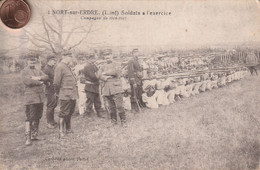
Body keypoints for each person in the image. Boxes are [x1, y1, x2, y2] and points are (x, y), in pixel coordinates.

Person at [21, 55, 48, 146]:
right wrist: (40, 82)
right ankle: (28, 138)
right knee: (30, 117)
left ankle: (34, 135)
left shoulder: (37, 70)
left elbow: (46, 77)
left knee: (38, 116)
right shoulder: (24, 71)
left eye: (33, 62)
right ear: (27, 62)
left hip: (40, 97)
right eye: (30, 61)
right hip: (31, 98)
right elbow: (28, 82)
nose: (32, 63)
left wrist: (36, 78)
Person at [98, 49, 127, 127]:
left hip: (116, 88)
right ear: (104, 57)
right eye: (106, 56)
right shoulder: (102, 66)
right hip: (107, 89)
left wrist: (105, 73)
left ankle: (123, 121)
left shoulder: (117, 64)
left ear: (112, 56)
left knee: (119, 106)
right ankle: (113, 122)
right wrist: (105, 77)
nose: (108, 58)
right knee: (111, 107)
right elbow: (98, 75)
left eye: (109, 56)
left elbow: (116, 72)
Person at [53, 51, 78, 138]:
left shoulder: (67, 67)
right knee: (63, 113)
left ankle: (68, 129)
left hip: (72, 94)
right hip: (65, 94)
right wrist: (59, 92)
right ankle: (61, 132)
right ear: (63, 56)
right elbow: (56, 83)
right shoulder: (60, 67)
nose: (70, 58)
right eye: (68, 57)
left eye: (71, 56)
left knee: (70, 112)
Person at [82, 54, 105, 118]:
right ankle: (87, 114)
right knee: (90, 100)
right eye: (93, 58)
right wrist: (99, 76)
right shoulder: (87, 66)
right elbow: (93, 76)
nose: (94, 60)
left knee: (97, 100)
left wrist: (99, 75)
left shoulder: (94, 65)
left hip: (95, 86)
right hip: (90, 86)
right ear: (89, 59)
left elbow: (98, 73)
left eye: (94, 58)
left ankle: (99, 113)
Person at [42, 55, 58, 129]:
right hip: (50, 90)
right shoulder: (46, 69)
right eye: (53, 60)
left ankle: (52, 121)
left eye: (54, 60)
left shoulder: (52, 68)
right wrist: (47, 83)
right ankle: (49, 123)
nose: (54, 62)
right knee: (50, 106)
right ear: (49, 60)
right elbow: (43, 78)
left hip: (54, 89)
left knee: (53, 105)